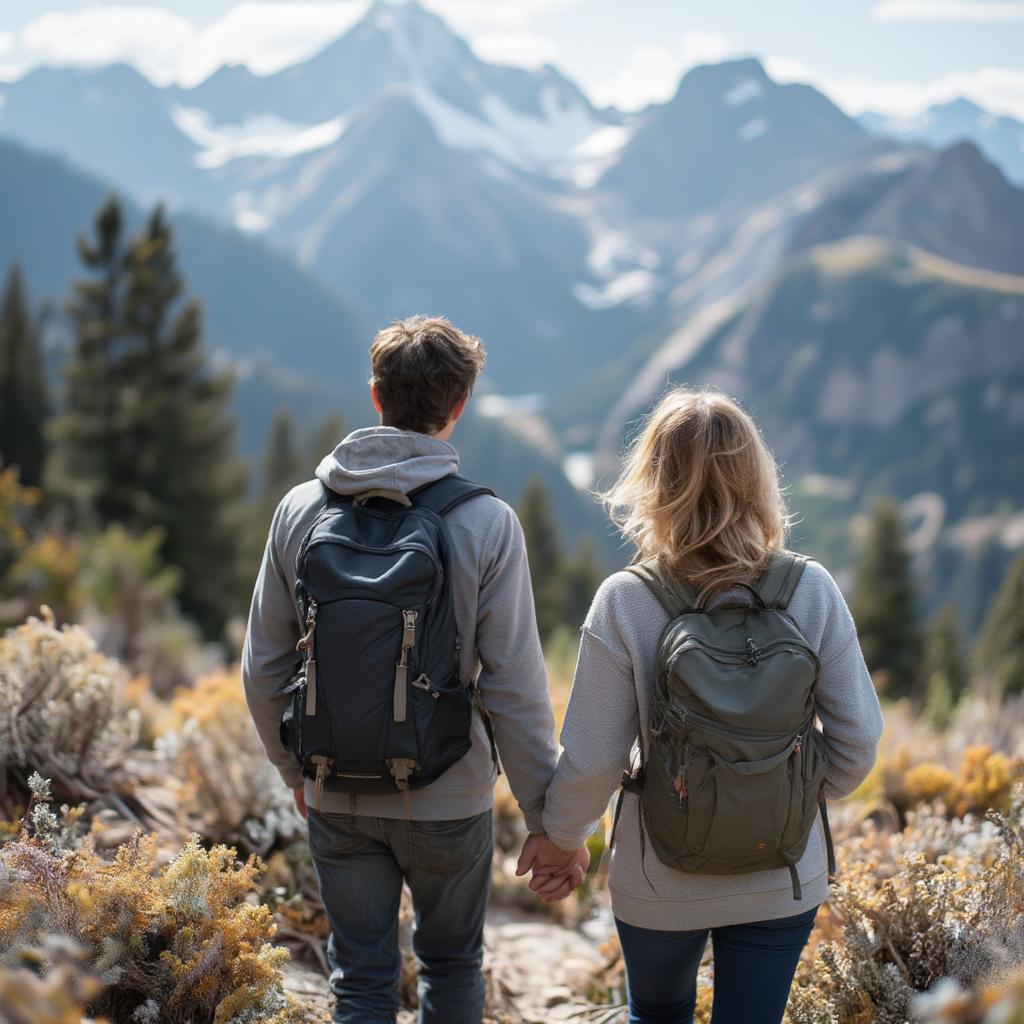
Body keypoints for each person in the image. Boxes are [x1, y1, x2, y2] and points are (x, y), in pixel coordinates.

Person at [242, 315, 586, 1024]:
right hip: (450, 794)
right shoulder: (486, 524)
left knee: (361, 980)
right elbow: (515, 686)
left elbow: (262, 667)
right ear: (459, 407)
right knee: (451, 967)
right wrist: (546, 822)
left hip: (335, 786)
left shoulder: (301, 510)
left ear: (375, 397)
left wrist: (294, 770)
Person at [518, 387, 884, 1024]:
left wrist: (562, 842)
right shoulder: (812, 590)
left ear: (654, 482)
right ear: (756, 480)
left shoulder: (626, 601)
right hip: (784, 874)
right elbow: (858, 744)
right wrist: (780, 791)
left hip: (659, 879)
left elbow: (592, 765)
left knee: (657, 1015)